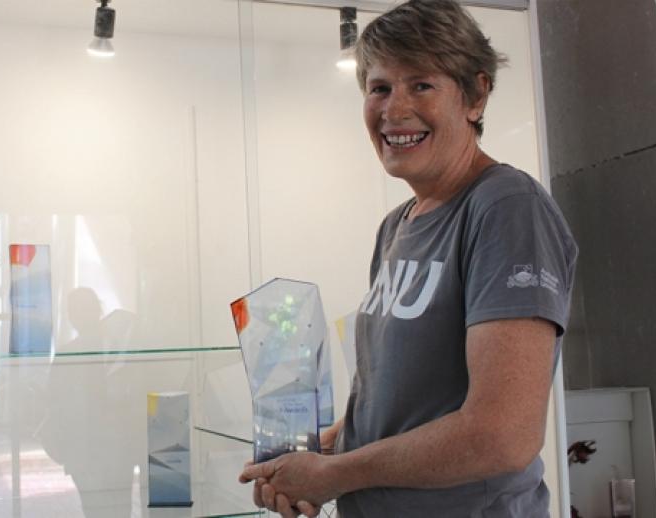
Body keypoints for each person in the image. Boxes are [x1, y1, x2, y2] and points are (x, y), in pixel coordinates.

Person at [239, 0, 577, 516]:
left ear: (476, 95)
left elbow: (501, 436)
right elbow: (399, 405)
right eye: (379, 88)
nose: (394, 110)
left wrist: (334, 474)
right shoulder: (397, 225)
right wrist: (317, 453)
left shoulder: (507, 208)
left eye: (421, 84)